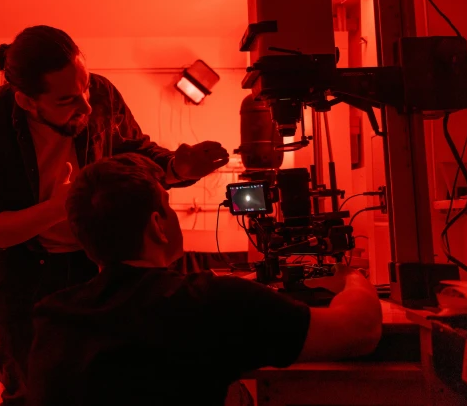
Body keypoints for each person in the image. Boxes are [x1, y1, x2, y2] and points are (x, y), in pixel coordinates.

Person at [0, 25, 230, 405]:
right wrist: (56, 208)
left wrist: (177, 168)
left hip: (100, 267)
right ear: (27, 102)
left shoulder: (99, 93)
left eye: (84, 86)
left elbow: (135, 153)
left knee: (110, 387)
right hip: (24, 282)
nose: (86, 104)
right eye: (68, 100)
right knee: (35, 393)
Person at [27, 153, 383, 406]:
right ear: (156, 226)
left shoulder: (52, 318)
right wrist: (353, 277)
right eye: (167, 205)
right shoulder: (210, 302)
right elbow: (359, 330)